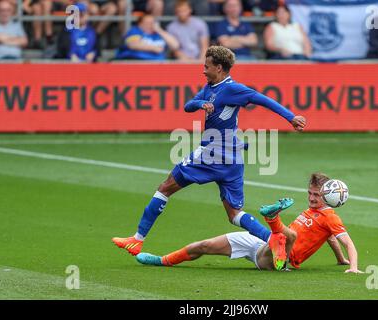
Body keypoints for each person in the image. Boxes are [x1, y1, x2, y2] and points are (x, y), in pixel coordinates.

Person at [112, 45, 306, 256]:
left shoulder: (232, 88)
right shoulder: (210, 87)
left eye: (207, 66)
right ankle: (273, 239)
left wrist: (291, 117)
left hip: (212, 153)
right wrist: (202, 103)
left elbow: (262, 99)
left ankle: (137, 240)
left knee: (165, 187)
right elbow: (188, 105)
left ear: (220, 68)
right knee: (234, 214)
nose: (203, 70)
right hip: (232, 158)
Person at [136, 173, 363, 274]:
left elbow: (347, 242)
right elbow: (331, 238)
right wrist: (339, 259)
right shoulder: (313, 212)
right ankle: (162, 260)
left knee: (289, 237)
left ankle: (272, 219)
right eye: (310, 193)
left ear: (327, 195)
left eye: (316, 195)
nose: (312, 198)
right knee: (204, 245)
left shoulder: (330, 216)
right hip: (265, 244)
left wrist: (352, 265)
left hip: (281, 259)